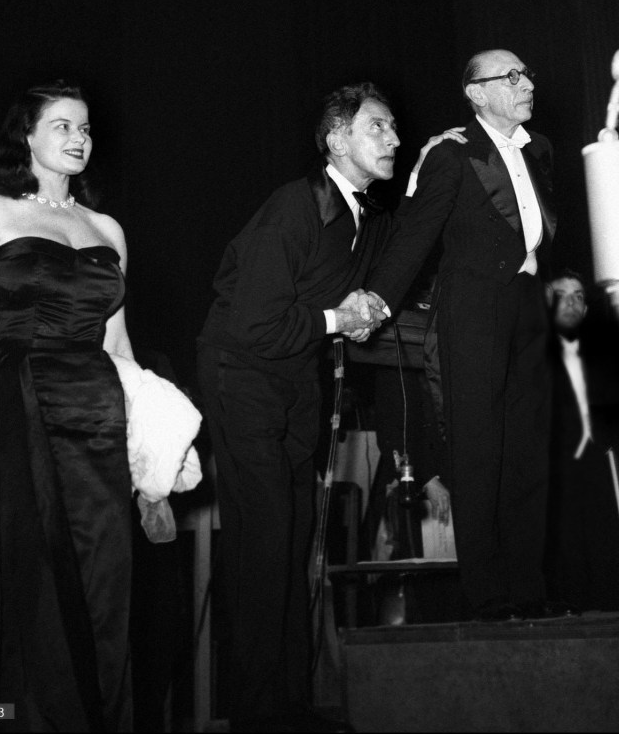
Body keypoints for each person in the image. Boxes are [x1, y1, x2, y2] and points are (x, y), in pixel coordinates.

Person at [196, 82, 464, 732]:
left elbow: (406, 241)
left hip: (297, 381)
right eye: (379, 127)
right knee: (265, 543)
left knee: (294, 544)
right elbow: (254, 325)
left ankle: (287, 703)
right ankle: (257, 711)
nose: (393, 139)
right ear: (337, 139)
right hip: (245, 377)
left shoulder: (360, 216)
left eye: (396, 128)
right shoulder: (297, 206)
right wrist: (337, 318)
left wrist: (429, 164)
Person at [0, 81, 135, 731]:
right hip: (19, 403)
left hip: (98, 412)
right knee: (26, 568)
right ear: (28, 136)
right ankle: (9, 719)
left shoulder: (107, 228)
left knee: (104, 573)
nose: (79, 138)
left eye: (86, 128)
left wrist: (147, 438)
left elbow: (118, 345)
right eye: (63, 126)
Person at [365, 49, 576, 622]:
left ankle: (529, 590)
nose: (527, 83)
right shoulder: (452, 155)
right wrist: (377, 300)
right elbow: (415, 236)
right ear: (476, 94)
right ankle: (487, 594)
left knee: (528, 449)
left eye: (527, 74)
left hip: (529, 308)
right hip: (473, 310)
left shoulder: (540, 150)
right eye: (512, 76)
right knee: (479, 449)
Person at [544, 269, 619, 612]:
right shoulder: (528, 355)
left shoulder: (607, 354)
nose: (571, 302)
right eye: (561, 295)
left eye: (578, 296)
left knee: (609, 581)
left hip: (601, 477)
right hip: (553, 478)